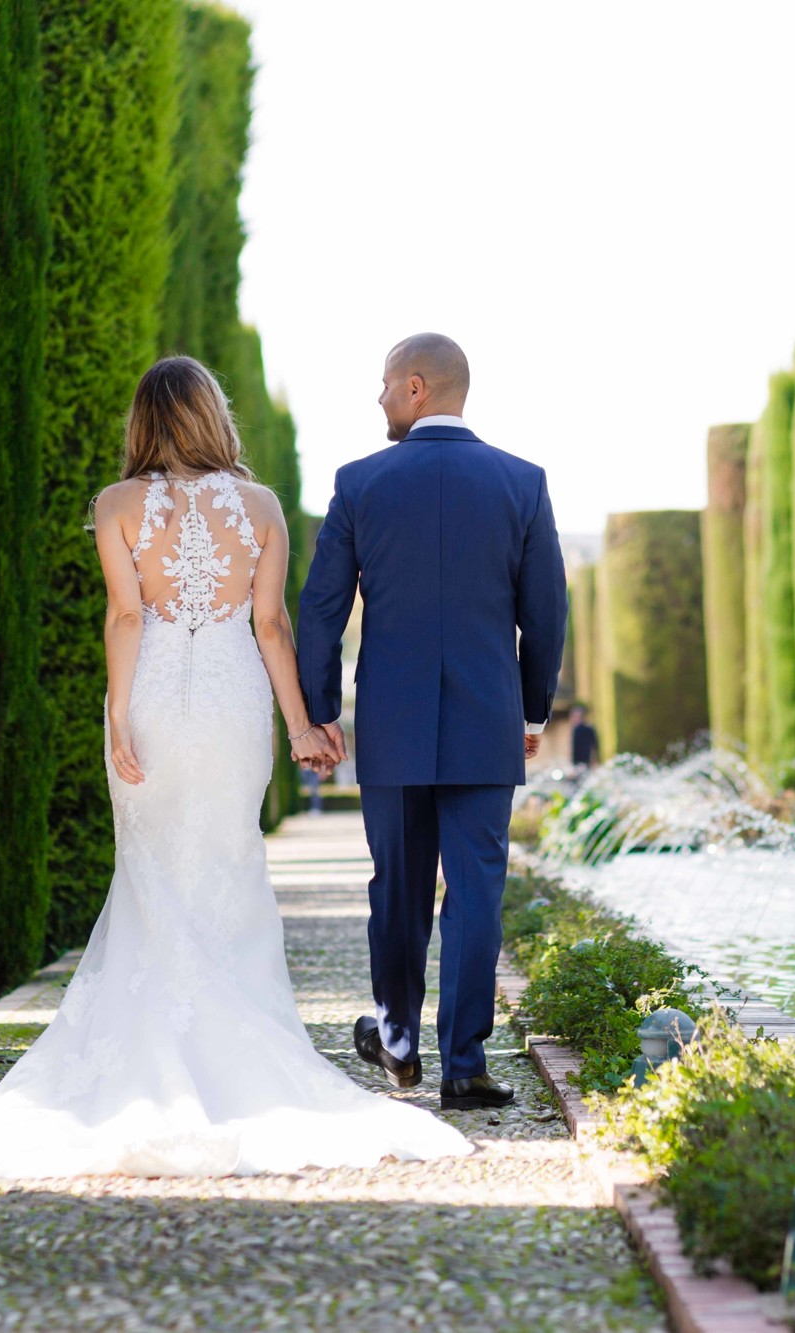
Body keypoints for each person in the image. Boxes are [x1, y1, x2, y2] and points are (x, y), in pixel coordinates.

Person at [0, 357, 470, 1177]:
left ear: (144, 421)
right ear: (213, 417)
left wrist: (118, 712)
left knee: (149, 873)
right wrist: (301, 726)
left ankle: (148, 1051)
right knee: (228, 864)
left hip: (152, 700)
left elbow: (125, 613)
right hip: (229, 707)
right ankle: (243, 1058)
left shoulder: (116, 505)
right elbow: (271, 626)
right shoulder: (259, 507)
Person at [297, 333, 569, 1110]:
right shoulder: (523, 482)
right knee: (478, 890)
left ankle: (400, 1039)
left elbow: (320, 611)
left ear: (417, 387)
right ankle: (466, 1066)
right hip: (487, 720)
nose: (378, 399)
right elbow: (546, 611)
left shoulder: (359, 483)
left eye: (384, 384)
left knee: (400, 889)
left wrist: (320, 714)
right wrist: (529, 705)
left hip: (393, 722)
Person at [570, 704, 599, 770]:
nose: (573, 718)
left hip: (584, 762)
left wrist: (594, 760)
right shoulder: (579, 729)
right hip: (581, 762)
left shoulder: (581, 729)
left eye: (575, 716)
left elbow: (594, 746)